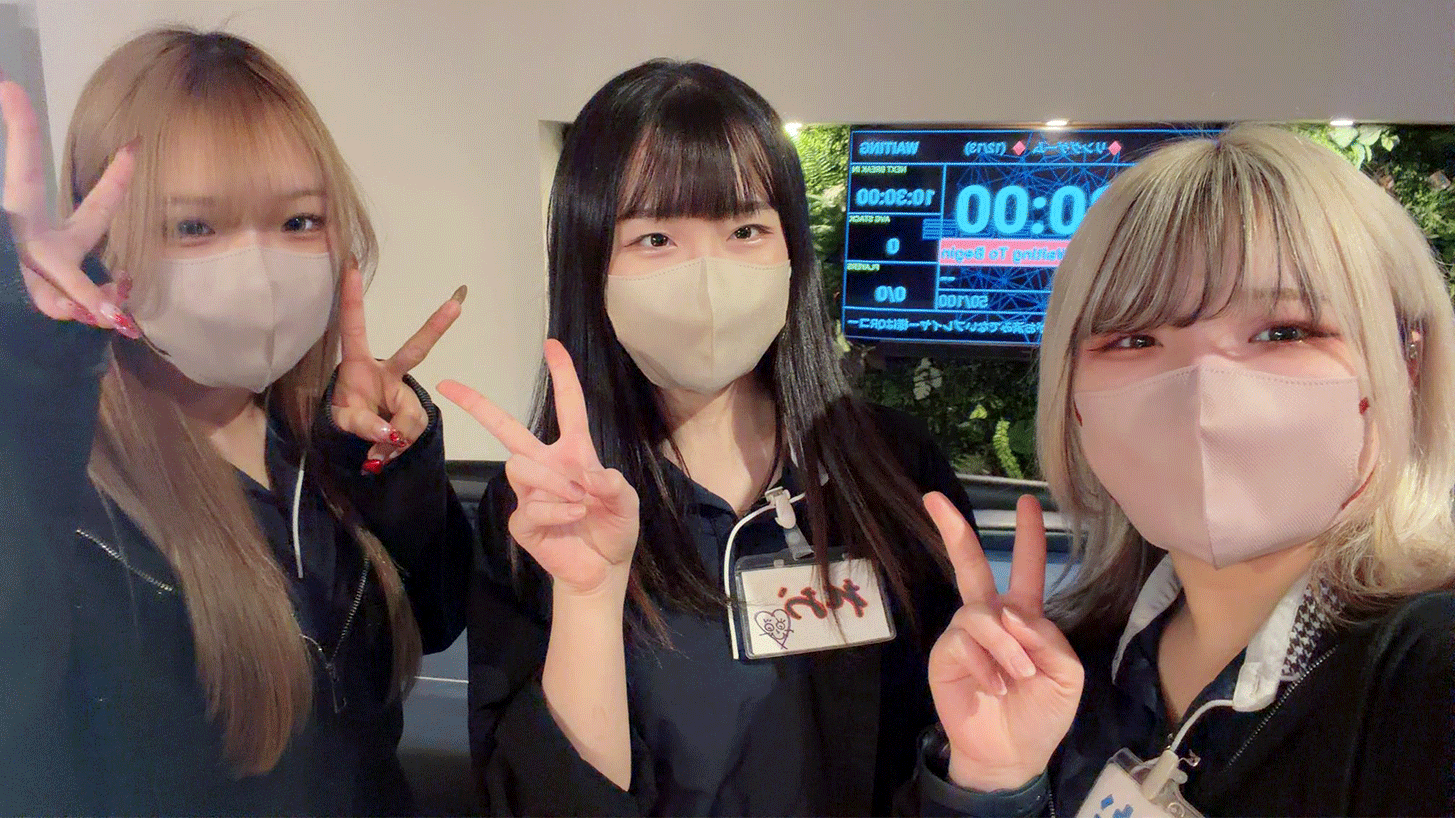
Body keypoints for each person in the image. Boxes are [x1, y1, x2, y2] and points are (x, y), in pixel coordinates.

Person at [440, 59, 977, 816]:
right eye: (656, 237)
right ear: (589, 263)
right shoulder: (544, 508)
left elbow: (958, 743)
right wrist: (589, 598)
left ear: (792, 252)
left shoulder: (893, 468)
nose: (708, 278)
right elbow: (541, 799)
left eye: (746, 230)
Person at [907, 124, 1454, 816]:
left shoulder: (1429, 679)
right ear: (1071, 399)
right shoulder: (1060, 666)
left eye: (1284, 331)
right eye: (1134, 338)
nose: (1203, 390)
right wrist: (993, 782)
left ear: (1405, 363)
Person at [0, 28, 472, 815]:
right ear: (103, 238)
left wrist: (391, 467)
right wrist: (30, 374)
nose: (257, 269)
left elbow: (435, 620)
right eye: (194, 227)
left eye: (299, 222)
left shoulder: (315, 449)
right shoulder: (65, 495)